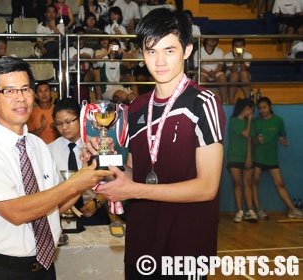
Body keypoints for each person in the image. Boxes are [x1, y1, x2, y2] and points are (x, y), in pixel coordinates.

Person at [87, 8, 226, 279]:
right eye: (151, 51)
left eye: (169, 50)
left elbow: (207, 187)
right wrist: (105, 161)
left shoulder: (203, 103)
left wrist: (135, 189)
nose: (159, 61)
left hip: (186, 251)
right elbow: (133, 173)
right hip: (141, 248)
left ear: (187, 50)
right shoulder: (137, 108)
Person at [0, 57, 112, 280]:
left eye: (26, 89)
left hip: (44, 267)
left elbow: (54, 206)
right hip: (1, 269)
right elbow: (17, 212)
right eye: (9, 91)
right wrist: (75, 183)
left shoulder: (37, 145)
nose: (20, 98)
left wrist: (87, 174)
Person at [49, 98, 110, 225]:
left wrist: (97, 202)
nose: (64, 128)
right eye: (59, 124)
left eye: (68, 122)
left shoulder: (96, 146)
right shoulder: (49, 150)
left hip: (94, 210)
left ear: (81, 119)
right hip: (61, 214)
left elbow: (113, 181)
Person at [251, 97, 303, 219]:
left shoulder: (278, 121)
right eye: (260, 108)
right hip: (258, 158)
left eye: (264, 107)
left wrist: (283, 140)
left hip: (271, 159)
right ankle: (258, 210)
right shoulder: (256, 122)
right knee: (254, 182)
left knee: (280, 183)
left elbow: (282, 133)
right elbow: (251, 141)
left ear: (270, 107)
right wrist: (256, 140)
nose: (262, 110)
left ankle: (293, 210)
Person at [227, 98, 257, 223]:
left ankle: (250, 210)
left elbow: (250, 140)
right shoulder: (234, 121)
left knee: (248, 184)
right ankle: (240, 211)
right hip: (234, 157)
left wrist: (249, 157)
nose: (251, 112)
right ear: (244, 109)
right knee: (237, 184)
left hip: (247, 157)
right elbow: (245, 134)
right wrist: (249, 121)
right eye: (249, 109)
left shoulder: (250, 123)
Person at [93, 37, 138, 104]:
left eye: (115, 46)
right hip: (107, 89)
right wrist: (107, 52)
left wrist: (123, 52)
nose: (114, 48)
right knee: (122, 95)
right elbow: (94, 61)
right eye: (112, 46)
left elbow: (129, 65)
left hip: (119, 87)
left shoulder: (118, 59)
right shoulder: (104, 59)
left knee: (133, 97)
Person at [194, 32, 228, 104]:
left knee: (223, 77)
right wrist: (208, 73)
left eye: (214, 39)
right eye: (211, 38)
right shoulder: (199, 51)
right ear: (206, 40)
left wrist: (214, 72)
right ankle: (200, 102)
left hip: (216, 71)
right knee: (201, 77)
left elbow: (220, 66)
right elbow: (197, 67)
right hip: (203, 71)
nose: (213, 40)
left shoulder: (219, 51)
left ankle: (224, 102)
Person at [224, 38, 252, 104]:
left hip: (244, 73)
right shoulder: (227, 56)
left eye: (241, 45)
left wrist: (241, 57)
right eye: (236, 46)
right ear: (233, 47)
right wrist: (236, 57)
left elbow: (243, 69)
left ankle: (248, 101)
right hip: (231, 73)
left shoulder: (248, 55)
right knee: (235, 75)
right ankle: (231, 102)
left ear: (244, 47)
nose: (238, 47)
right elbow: (233, 70)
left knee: (243, 74)